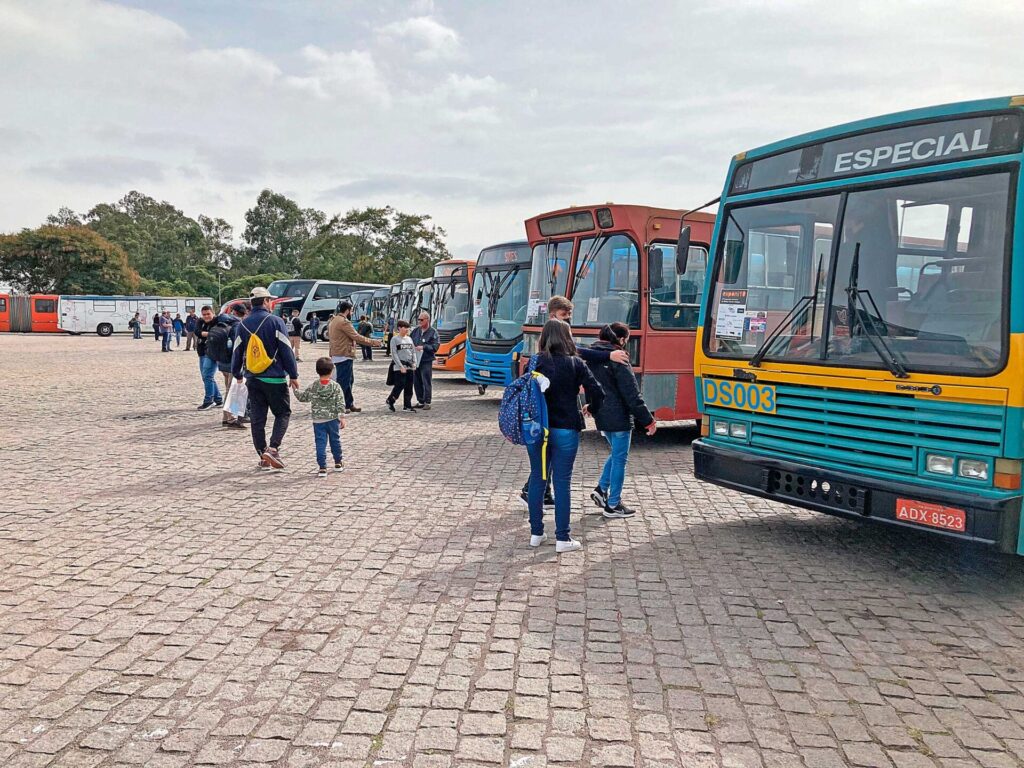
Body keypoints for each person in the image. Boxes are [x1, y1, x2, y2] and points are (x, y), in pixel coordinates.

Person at [519, 295, 630, 508]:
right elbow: (577, 354)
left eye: (569, 316)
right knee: (552, 459)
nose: (568, 320)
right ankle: (535, 493)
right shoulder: (553, 338)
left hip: (544, 416)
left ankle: (539, 494)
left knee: (547, 457)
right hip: (555, 416)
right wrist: (608, 356)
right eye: (564, 316)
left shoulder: (547, 342)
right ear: (553, 316)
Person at [526, 319, 604, 553]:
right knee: (562, 483)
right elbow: (598, 392)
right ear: (567, 337)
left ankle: (536, 533)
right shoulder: (575, 363)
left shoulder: (535, 361)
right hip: (566, 429)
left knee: (537, 480)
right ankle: (563, 538)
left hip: (538, 430)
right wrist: (591, 407)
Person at [586, 322, 657, 518]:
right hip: (619, 417)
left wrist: (591, 406)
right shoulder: (620, 358)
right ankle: (614, 504)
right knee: (620, 459)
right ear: (622, 339)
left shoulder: (592, 357)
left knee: (616, 454)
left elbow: (592, 386)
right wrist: (648, 420)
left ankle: (601, 489)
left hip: (602, 414)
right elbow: (632, 394)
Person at [232, 287, 300, 470]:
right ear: (265, 301)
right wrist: (293, 374)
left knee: (258, 418)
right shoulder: (276, 322)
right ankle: (273, 448)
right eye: (270, 301)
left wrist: (237, 373)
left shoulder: (242, 325)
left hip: (253, 378)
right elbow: (286, 350)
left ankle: (263, 455)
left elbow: (237, 351)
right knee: (283, 413)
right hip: (275, 378)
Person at [294, 357, 347, 478]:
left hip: (318, 420)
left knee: (320, 443)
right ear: (332, 371)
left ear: (317, 371)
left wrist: (295, 389)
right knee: (335, 441)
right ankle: (338, 462)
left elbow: (303, 398)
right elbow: (340, 403)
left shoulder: (314, 386)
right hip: (333, 419)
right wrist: (342, 417)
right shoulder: (335, 386)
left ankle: (322, 467)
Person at [328, 300, 380, 413]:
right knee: (344, 381)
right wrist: (374, 342)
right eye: (351, 310)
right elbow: (356, 337)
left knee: (349, 380)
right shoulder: (344, 322)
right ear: (347, 310)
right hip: (344, 354)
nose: (352, 312)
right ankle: (342, 405)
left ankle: (349, 403)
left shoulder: (333, 320)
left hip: (337, 353)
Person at [206, 305, 244, 428]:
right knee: (234, 391)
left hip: (221, 361)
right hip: (233, 362)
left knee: (229, 389)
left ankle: (226, 417)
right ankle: (232, 418)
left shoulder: (220, 322)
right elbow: (238, 347)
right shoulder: (237, 324)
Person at [386, 320, 418, 412]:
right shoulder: (395, 339)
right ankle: (391, 400)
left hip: (409, 366)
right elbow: (394, 354)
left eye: (408, 327)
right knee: (400, 385)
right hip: (399, 367)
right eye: (405, 327)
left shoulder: (409, 339)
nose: (407, 329)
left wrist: (414, 363)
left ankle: (407, 405)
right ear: (399, 328)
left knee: (409, 386)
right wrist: (400, 366)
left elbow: (413, 352)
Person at [194, 306, 223, 409]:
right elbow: (196, 331)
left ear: (213, 313)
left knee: (207, 375)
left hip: (212, 352)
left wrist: (204, 334)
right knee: (206, 377)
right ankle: (218, 399)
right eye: (204, 314)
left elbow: (217, 334)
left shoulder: (218, 322)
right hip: (202, 351)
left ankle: (208, 400)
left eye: (208, 314)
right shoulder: (200, 321)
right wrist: (208, 334)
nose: (206, 316)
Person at [411, 312, 439, 410]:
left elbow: (435, 346)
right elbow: (410, 341)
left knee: (426, 380)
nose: (419, 321)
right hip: (415, 360)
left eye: (421, 320)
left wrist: (424, 347)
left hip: (426, 360)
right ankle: (420, 400)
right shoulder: (415, 331)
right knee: (416, 381)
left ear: (427, 320)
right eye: (418, 319)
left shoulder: (433, 332)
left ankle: (427, 401)